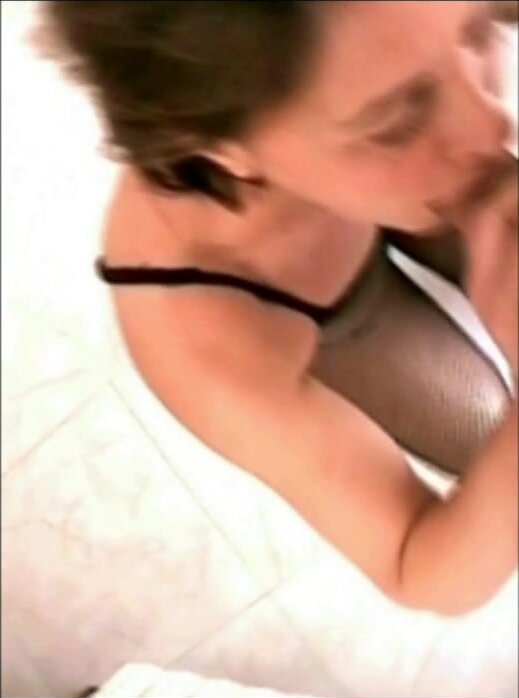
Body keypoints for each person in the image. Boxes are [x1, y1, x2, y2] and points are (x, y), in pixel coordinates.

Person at [40, 1, 517, 615]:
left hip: (397, 194)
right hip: (327, 315)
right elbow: (416, 565)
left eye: (479, 29)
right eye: (397, 122)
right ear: (223, 149)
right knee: (483, 437)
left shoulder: (394, 112)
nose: (493, 127)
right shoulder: (197, 328)